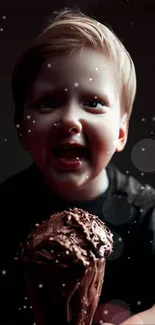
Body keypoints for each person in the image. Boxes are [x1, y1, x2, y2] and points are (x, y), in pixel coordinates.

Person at [0, 6, 154, 325]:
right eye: (49, 102)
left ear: (121, 132)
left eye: (93, 103)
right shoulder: (4, 210)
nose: (70, 119)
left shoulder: (146, 214)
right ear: (21, 129)